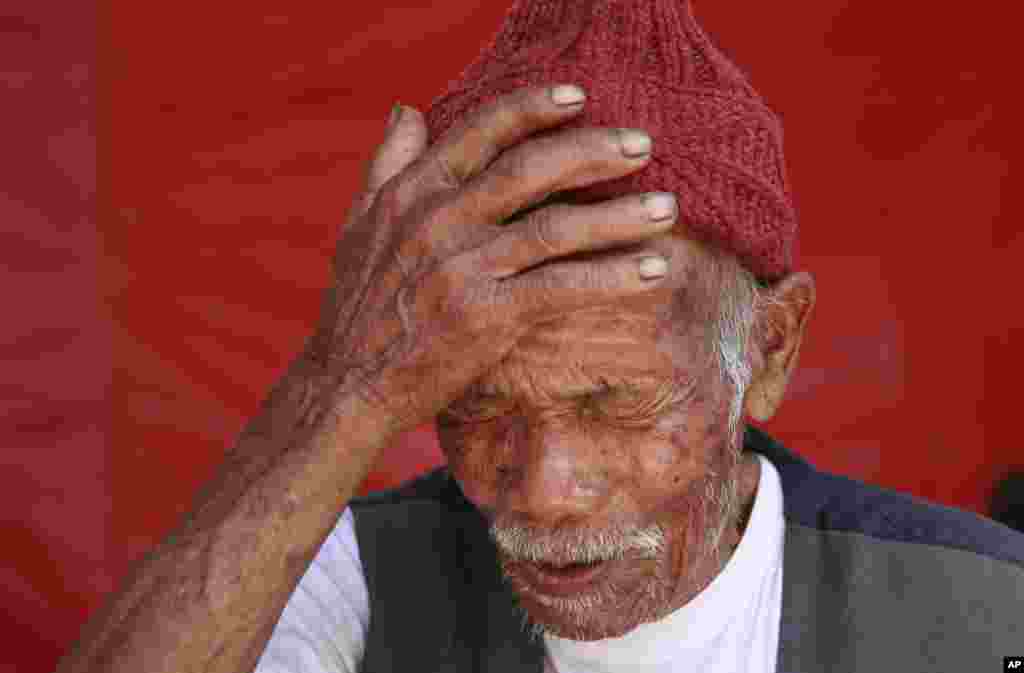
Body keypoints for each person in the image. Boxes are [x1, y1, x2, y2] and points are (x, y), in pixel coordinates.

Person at [58, 1, 1023, 672]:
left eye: (616, 402)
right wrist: (341, 386)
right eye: (476, 404)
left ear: (769, 350)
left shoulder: (988, 608)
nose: (544, 490)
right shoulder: (360, 580)